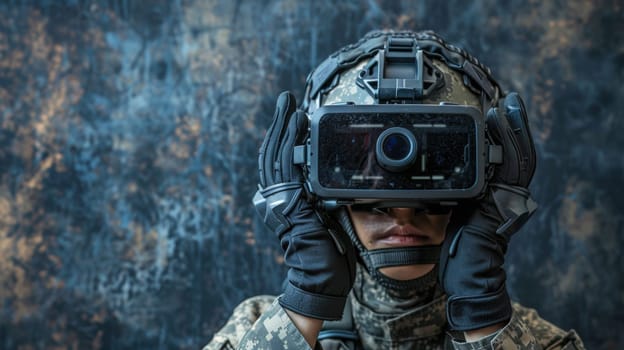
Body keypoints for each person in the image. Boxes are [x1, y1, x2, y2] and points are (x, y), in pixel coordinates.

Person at [204, 30, 585, 349]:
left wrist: (482, 311)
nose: (402, 212)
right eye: (364, 171)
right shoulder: (258, 326)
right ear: (319, 188)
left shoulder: (536, 341)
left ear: (486, 186)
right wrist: (306, 296)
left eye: (435, 178)